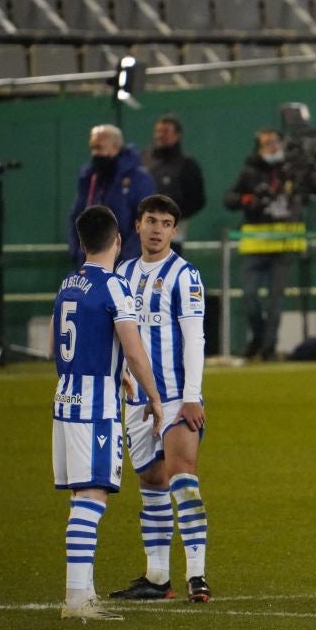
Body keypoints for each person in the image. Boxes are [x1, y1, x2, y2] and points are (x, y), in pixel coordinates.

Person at [53, 205, 163, 622]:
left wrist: (112, 373)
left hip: (65, 399)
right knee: (93, 496)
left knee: (82, 495)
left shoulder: (69, 282)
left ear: (82, 242)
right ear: (118, 241)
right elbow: (133, 349)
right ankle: (77, 600)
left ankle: (83, 590)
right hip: (96, 408)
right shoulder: (116, 287)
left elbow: (57, 342)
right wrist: (153, 396)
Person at [106, 194, 213, 605]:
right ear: (137, 225)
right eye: (151, 220)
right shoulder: (123, 274)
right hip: (135, 400)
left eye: (166, 223)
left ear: (174, 230)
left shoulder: (185, 275)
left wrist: (191, 397)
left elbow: (194, 338)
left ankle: (198, 576)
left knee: (183, 475)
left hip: (175, 398)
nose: (157, 229)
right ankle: (157, 577)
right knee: (151, 482)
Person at [223, 127, 316, 361]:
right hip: (255, 244)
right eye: (266, 144)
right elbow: (229, 198)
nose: (272, 147)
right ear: (258, 148)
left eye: (275, 142)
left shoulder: (294, 170)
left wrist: (314, 168)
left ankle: (267, 349)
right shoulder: (249, 172)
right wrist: (246, 200)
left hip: (285, 243)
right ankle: (258, 338)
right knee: (250, 297)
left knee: (276, 302)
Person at [67, 124, 156, 267]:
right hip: (90, 264)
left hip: (127, 267)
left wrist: (125, 261)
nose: (94, 153)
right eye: (92, 147)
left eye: (99, 147)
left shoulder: (139, 179)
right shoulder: (90, 177)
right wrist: (78, 252)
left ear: (116, 147)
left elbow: (146, 222)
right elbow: (77, 216)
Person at [142, 115, 206, 252]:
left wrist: (170, 217)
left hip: (173, 236)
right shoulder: (143, 159)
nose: (160, 135)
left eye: (165, 132)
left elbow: (197, 200)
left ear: (177, 136)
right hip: (142, 232)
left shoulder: (187, 165)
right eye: (158, 131)